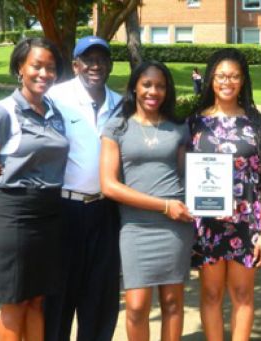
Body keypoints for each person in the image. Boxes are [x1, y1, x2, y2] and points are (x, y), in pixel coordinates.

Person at [0, 37, 66, 341]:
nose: (44, 73)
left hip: (49, 215)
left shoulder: (54, 111)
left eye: (51, 68)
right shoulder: (4, 112)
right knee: (15, 301)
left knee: (37, 299)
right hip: (12, 215)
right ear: (20, 68)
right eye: (37, 65)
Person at [100, 60, 194, 341]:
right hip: (136, 227)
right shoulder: (116, 127)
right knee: (137, 307)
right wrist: (164, 206)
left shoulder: (178, 128)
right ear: (135, 87)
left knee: (173, 304)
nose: (154, 91)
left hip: (175, 227)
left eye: (161, 86)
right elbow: (109, 185)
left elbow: (186, 176)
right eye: (147, 84)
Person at [188, 48, 261, 341]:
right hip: (207, 224)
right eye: (222, 75)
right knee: (211, 293)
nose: (228, 81)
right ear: (211, 78)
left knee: (242, 294)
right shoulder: (195, 123)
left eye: (234, 76)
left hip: (246, 222)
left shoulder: (257, 124)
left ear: (243, 81)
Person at [44, 35, 122, 341]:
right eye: (88, 59)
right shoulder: (55, 97)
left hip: (105, 210)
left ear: (110, 65)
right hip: (65, 210)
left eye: (102, 59)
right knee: (60, 296)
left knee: (100, 297)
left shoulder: (121, 103)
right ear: (76, 65)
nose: (96, 65)